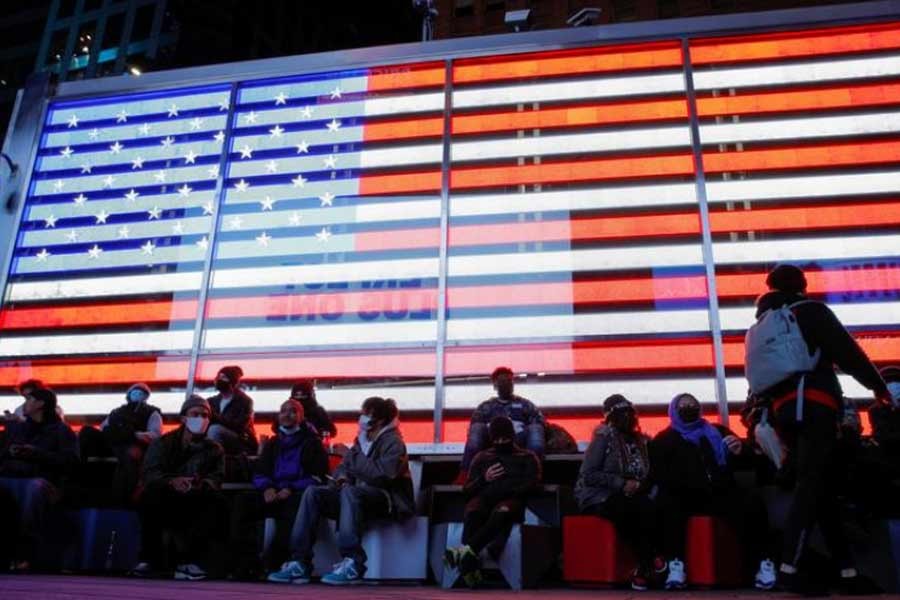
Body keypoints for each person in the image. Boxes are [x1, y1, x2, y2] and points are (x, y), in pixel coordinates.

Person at [750, 264, 889, 595]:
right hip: (815, 406)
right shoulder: (809, 311)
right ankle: (789, 568)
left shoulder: (764, 323)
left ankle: (847, 573)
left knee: (821, 487)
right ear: (803, 285)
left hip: (785, 411)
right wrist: (877, 386)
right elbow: (847, 352)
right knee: (811, 485)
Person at [268, 396, 414, 585]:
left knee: (350, 492)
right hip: (353, 497)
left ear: (379, 419)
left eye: (366, 414)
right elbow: (343, 468)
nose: (361, 417)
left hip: (386, 500)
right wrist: (340, 478)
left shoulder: (393, 442)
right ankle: (299, 561)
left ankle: (353, 562)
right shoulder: (361, 440)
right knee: (313, 492)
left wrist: (350, 456)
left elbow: (383, 475)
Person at [650, 393, 776, 591]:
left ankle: (764, 564)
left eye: (693, 404)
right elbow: (661, 475)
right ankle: (676, 565)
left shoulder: (718, 431)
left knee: (752, 503)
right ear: (674, 411)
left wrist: (740, 451)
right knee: (667, 503)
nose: (689, 407)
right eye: (683, 405)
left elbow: (747, 462)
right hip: (685, 496)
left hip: (720, 492)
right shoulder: (664, 440)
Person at [130, 395, 227, 581]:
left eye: (205, 415)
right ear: (183, 417)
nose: (201, 419)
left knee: (217, 503)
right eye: (195, 414)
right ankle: (150, 560)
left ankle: (191, 562)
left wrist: (200, 484)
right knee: (151, 495)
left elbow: (217, 477)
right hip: (166, 493)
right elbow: (150, 473)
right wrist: (172, 481)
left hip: (195, 496)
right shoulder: (163, 443)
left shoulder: (215, 449)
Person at [230, 399, 328, 577]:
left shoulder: (313, 443)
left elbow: (318, 477)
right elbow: (260, 472)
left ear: (302, 417)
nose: (287, 414)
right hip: (272, 491)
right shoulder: (273, 443)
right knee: (241, 502)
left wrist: (290, 488)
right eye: (283, 411)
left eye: (293, 411)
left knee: (293, 509)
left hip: (296, 493)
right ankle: (245, 564)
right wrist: (267, 488)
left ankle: (280, 563)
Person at [575, 395, 660, 591]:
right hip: (598, 496)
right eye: (621, 413)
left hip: (633, 495)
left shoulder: (642, 441)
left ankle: (646, 566)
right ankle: (648, 562)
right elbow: (588, 475)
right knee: (625, 510)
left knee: (649, 508)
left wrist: (641, 486)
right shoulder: (604, 438)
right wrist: (621, 483)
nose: (627, 417)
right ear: (611, 417)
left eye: (629, 412)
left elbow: (647, 472)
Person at [445, 416, 541, 588]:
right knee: (473, 510)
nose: (501, 442)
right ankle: (470, 568)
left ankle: (464, 553)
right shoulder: (482, 457)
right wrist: (484, 479)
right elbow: (467, 490)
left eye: (505, 439)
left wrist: (506, 489)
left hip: (510, 501)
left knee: (502, 511)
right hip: (484, 499)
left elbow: (532, 484)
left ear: (512, 437)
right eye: (497, 439)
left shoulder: (527, 457)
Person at [0, 387, 78, 570]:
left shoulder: (62, 430)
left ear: (41, 404)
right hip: (12, 476)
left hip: (43, 480)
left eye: (28, 400)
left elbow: (70, 461)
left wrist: (37, 453)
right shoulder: (19, 429)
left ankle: (25, 553)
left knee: (33, 489)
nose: (24, 404)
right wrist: (9, 452)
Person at [78, 383, 161, 503]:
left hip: (132, 446)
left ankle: (122, 499)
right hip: (111, 444)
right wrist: (114, 432)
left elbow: (155, 436)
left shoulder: (152, 413)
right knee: (87, 431)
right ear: (128, 394)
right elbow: (102, 429)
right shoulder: (117, 412)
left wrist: (134, 435)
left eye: (141, 392)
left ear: (146, 396)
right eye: (135, 391)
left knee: (130, 454)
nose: (138, 394)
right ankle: (78, 478)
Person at [460, 367, 545, 473]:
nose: (507, 384)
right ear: (495, 385)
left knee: (536, 427)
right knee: (477, 427)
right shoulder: (486, 406)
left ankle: (534, 471)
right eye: (502, 381)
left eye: (510, 380)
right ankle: (465, 473)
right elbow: (475, 426)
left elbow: (539, 420)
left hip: (517, 440)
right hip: (493, 440)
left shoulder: (525, 404)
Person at [206, 365, 258, 455]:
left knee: (214, 429)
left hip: (240, 441)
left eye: (223, 377)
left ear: (232, 382)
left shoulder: (245, 401)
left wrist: (215, 417)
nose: (219, 379)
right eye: (218, 376)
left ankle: (213, 463)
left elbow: (239, 426)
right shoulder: (211, 401)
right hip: (216, 438)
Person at [870, 366, 900, 460]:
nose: (894, 385)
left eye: (897, 381)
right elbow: (882, 436)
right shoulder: (875, 410)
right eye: (888, 382)